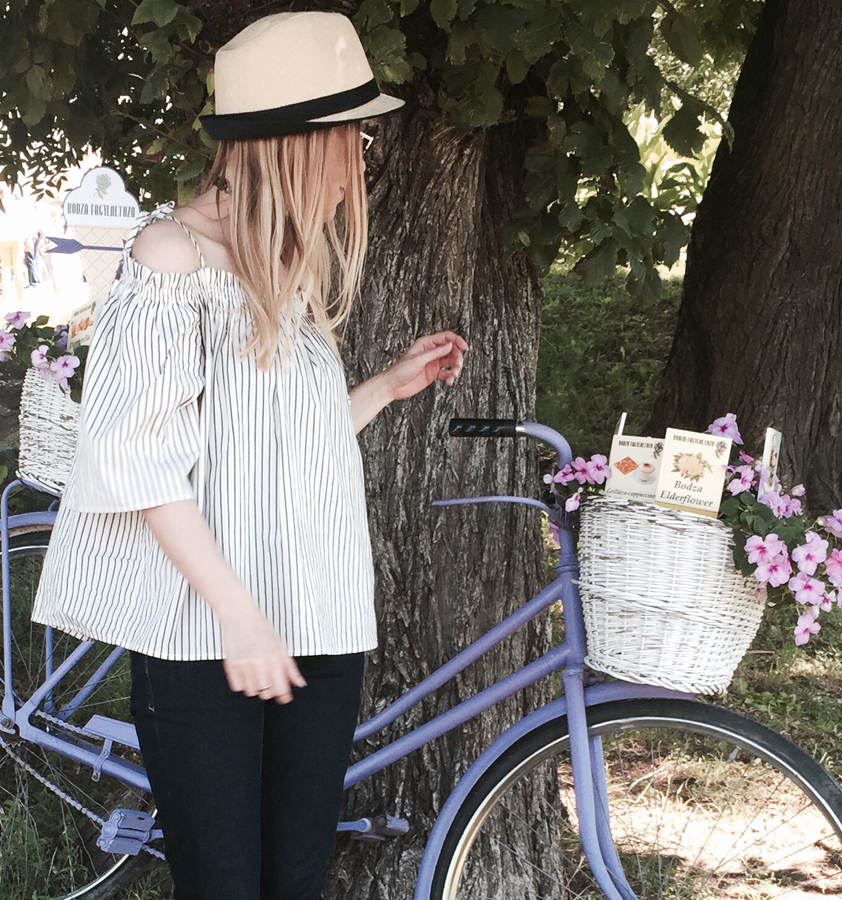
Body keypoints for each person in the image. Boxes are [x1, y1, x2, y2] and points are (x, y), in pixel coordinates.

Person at [32, 11, 467, 900]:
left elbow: (277, 452)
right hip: (209, 637)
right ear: (300, 145)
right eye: (350, 138)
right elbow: (141, 465)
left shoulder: (282, 265)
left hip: (315, 620)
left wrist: (383, 387)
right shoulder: (171, 258)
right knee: (225, 883)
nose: (358, 163)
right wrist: (240, 618)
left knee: (293, 879)